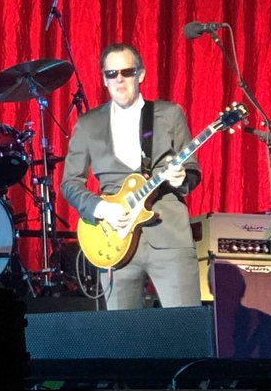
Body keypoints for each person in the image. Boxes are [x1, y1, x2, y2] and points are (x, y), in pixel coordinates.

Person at [60, 42, 201, 310]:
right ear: (104, 79)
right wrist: (102, 209)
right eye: (111, 74)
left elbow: (192, 170)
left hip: (168, 234)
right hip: (114, 239)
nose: (119, 80)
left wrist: (180, 177)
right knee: (124, 339)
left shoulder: (169, 114)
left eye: (127, 72)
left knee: (185, 331)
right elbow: (69, 183)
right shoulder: (88, 124)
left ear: (141, 74)